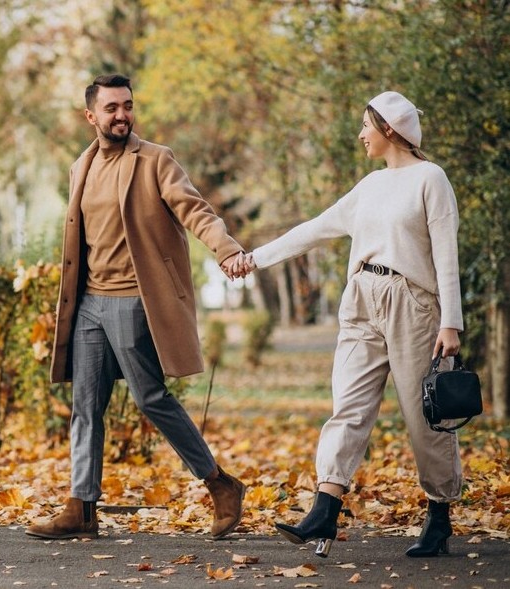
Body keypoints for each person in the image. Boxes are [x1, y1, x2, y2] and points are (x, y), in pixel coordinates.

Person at [25, 74, 248, 541]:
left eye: (127, 105)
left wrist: (225, 248)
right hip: (88, 303)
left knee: (150, 398)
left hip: (132, 300)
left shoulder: (155, 160)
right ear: (91, 116)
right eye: (111, 108)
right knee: (84, 406)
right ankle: (81, 507)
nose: (121, 114)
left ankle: (220, 484)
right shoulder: (80, 166)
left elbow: (194, 209)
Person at [241, 91, 464, 558]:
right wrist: (253, 259)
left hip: (413, 304)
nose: (360, 134)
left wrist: (451, 322)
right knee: (348, 405)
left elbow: (446, 253)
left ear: (388, 130)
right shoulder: (368, 186)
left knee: (424, 418)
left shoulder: (430, 178)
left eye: (366, 125)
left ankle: (439, 516)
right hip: (361, 299)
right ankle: (325, 505)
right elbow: (315, 228)